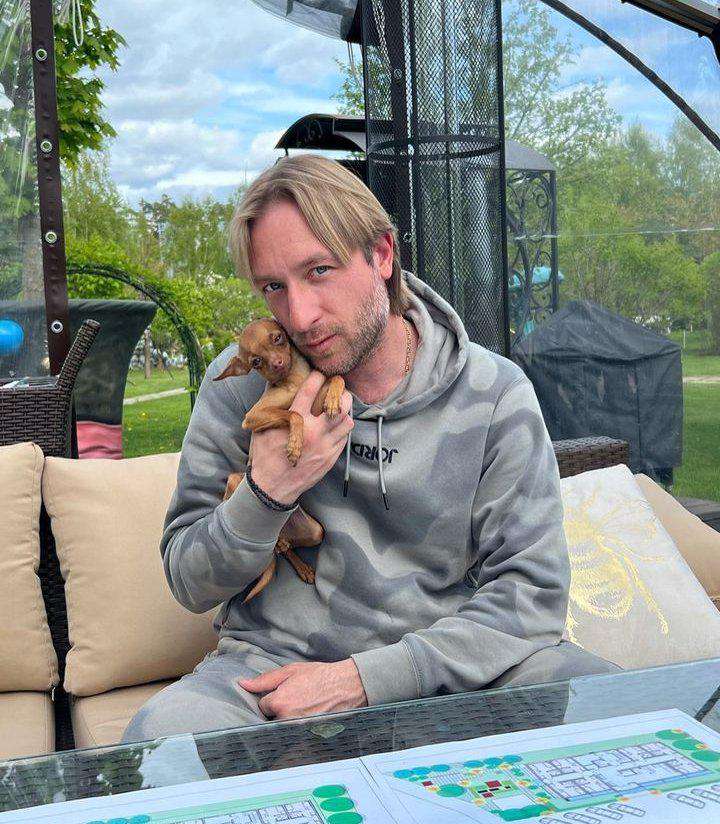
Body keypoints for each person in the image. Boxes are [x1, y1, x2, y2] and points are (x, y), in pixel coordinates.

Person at [122, 154, 617, 743]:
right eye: (274, 287)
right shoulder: (243, 390)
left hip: (451, 674)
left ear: (382, 254)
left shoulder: (495, 395)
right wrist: (268, 491)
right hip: (274, 676)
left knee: (615, 709)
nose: (299, 316)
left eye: (319, 271)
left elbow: (530, 598)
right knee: (162, 743)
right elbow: (189, 581)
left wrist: (363, 679)